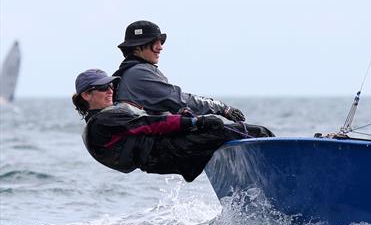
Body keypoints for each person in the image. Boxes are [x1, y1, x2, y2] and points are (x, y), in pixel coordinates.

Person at [72, 69, 273, 182]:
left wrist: (185, 118)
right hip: (166, 153)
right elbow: (149, 124)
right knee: (253, 132)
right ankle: (278, 176)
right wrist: (195, 121)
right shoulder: (103, 121)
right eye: (102, 87)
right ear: (86, 95)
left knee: (220, 133)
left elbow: (148, 123)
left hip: (162, 155)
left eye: (110, 86)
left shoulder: (103, 119)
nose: (109, 90)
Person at [113, 20, 246, 121]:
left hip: (147, 141)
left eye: (161, 42)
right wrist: (222, 108)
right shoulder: (139, 73)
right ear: (136, 47)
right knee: (256, 132)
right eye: (155, 43)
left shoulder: (129, 71)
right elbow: (179, 99)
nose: (160, 48)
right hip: (154, 145)